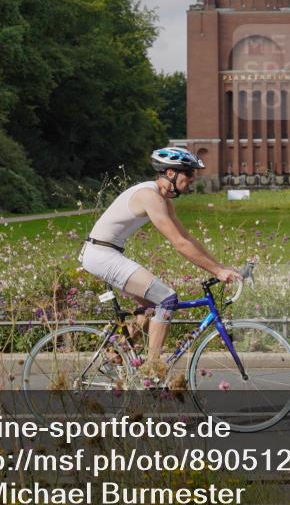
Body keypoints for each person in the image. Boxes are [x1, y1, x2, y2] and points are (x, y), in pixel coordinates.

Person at [79, 147, 240, 382]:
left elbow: (187, 238)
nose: (192, 179)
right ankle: (153, 370)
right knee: (167, 298)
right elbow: (178, 243)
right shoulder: (150, 196)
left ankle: (115, 354)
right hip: (101, 254)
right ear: (171, 173)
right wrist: (217, 271)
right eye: (189, 173)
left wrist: (221, 266)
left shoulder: (162, 198)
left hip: (106, 253)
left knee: (151, 306)